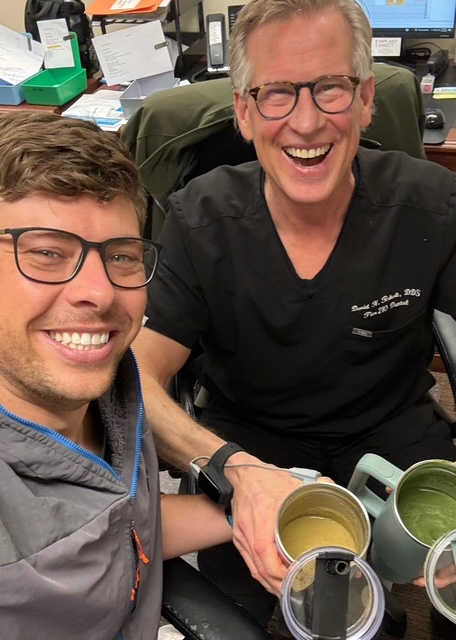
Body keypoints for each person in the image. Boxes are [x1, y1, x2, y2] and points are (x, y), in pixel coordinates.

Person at [132, 0, 456, 624]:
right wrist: (231, 467)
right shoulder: (200, 220)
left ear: (365, 99)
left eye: (330, 88)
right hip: (251, 442)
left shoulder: (431, 203)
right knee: (252, 616)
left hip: (392, 430)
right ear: (244, 112)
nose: (306, 123)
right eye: (277, 94)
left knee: (444, 591)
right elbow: (137, 378)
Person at [0, 111, 233, 640]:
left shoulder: (114, 390)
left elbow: (122, 524)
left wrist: (258, 507)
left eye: (122, 256)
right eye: (47, 253)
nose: (101, 293)